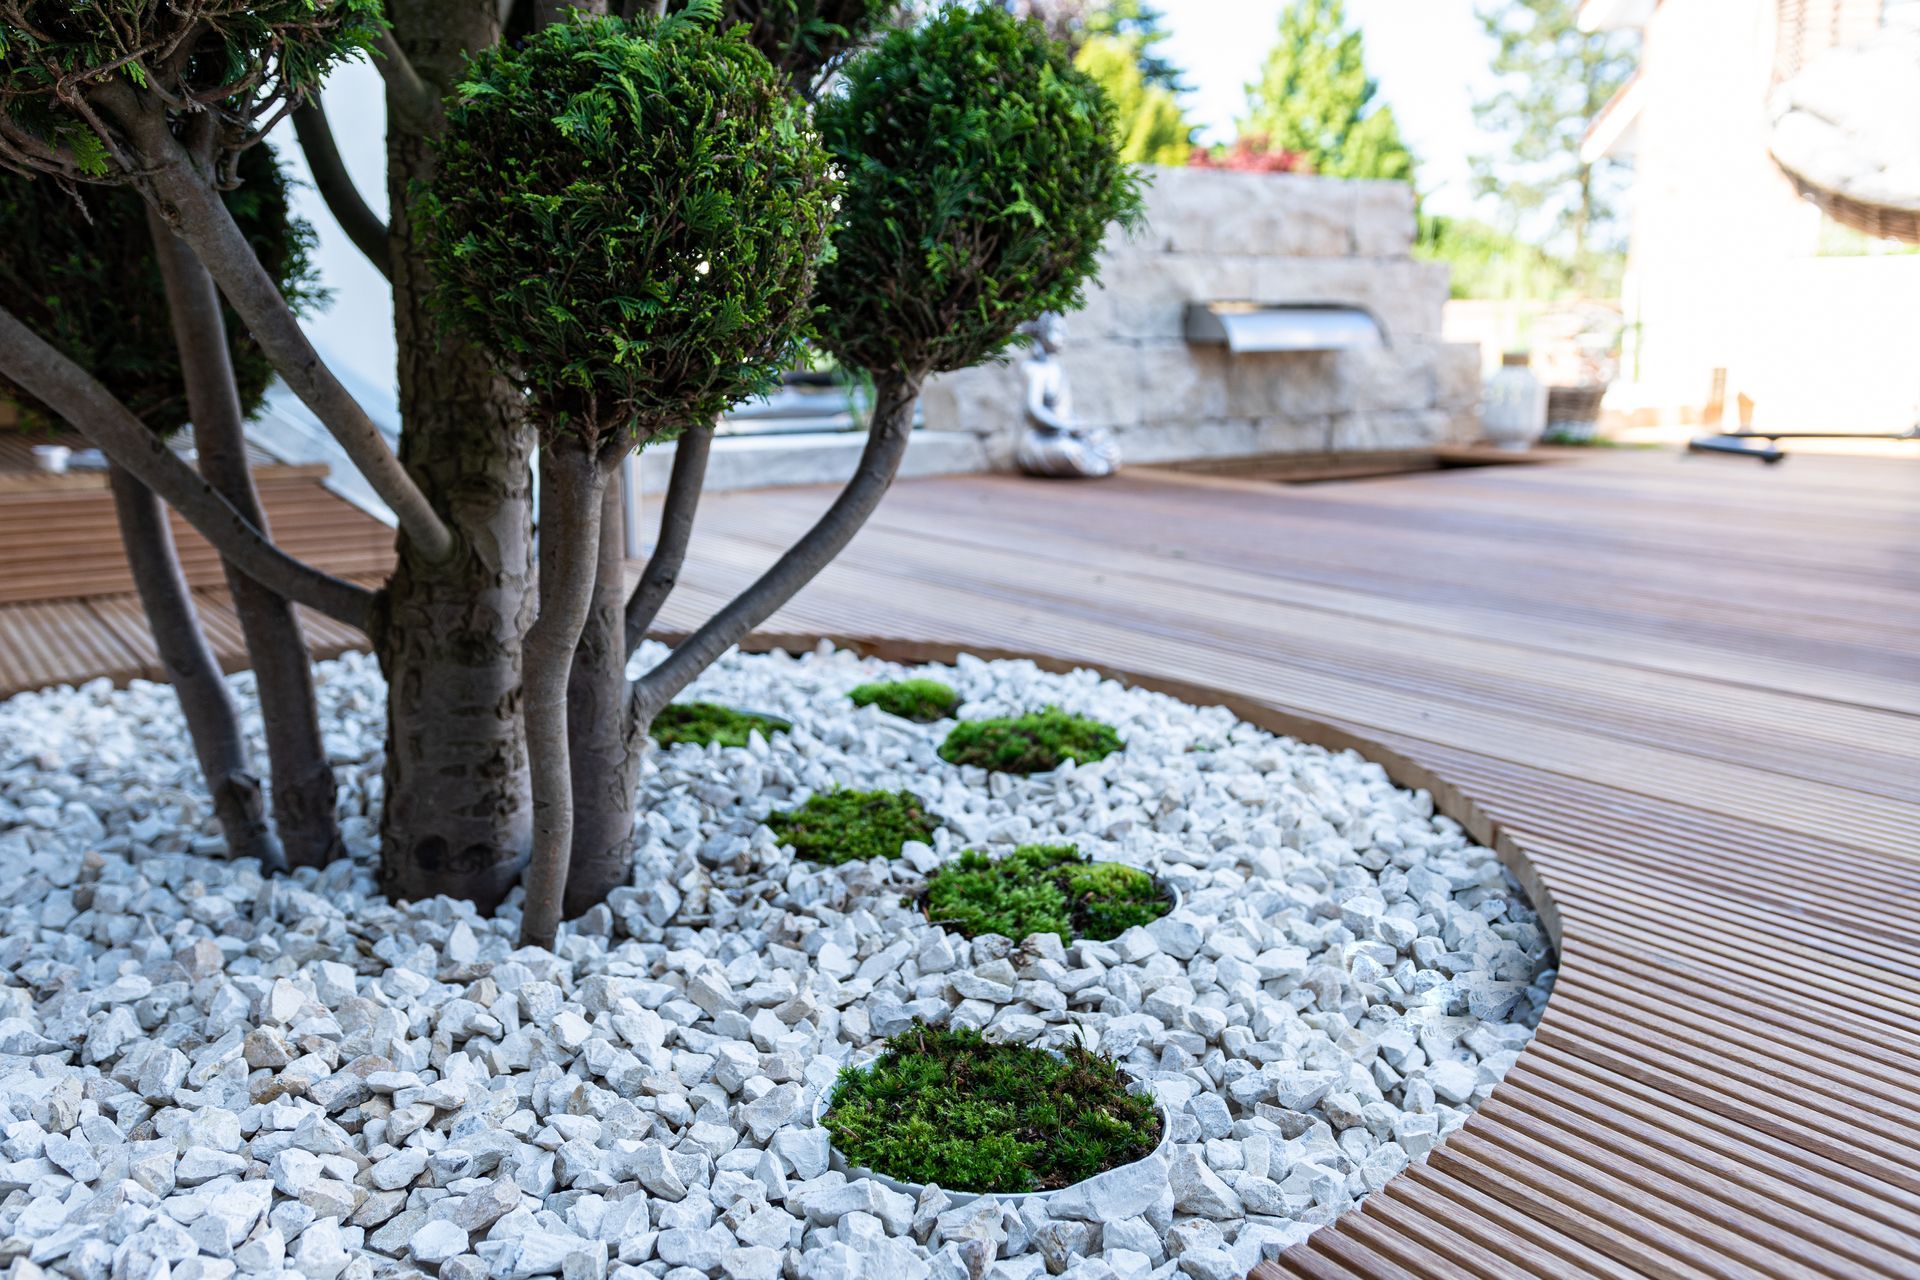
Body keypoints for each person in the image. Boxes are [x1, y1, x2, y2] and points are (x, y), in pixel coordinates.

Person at [1014, 313, 1120, 478]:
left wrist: (1076, 425)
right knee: (1068, 451)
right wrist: (1064, 425)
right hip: (1041, 438)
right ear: (1041, 334)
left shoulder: (1056, 368)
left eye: (1064, 331)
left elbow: (1064, 409)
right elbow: (1033, 409)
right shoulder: (1032, 369)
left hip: (1064, 432)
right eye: (1057, 331)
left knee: (1107, 444)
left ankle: (1094, 463)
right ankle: (1088, 463)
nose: (1063, 336)